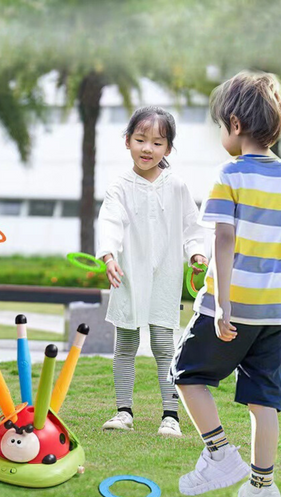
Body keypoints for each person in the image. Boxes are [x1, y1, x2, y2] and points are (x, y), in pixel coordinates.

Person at [170, 71, 281, 497]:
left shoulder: (229, 173)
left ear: (234, 123)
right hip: (280, 312)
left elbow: (224, 239)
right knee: (263, 399)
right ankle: (263, 491)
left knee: (187, 374)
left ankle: (219, 454)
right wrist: (274, 286)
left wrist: (225, 304)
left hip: (231, 307)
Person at [96, 106, 207, 437]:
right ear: (127, 141)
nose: (147, 148)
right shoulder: (119, 185)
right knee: (126, 344)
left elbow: (192, 225)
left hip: (166, 276)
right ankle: (123, 411)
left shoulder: (177, 186)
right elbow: (110, 221)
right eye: (140, 139)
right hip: (128, 274)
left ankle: (170, 416)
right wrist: (109, 256)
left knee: (163, 345)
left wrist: (197, 252)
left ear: (168, 149)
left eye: (157, 143)